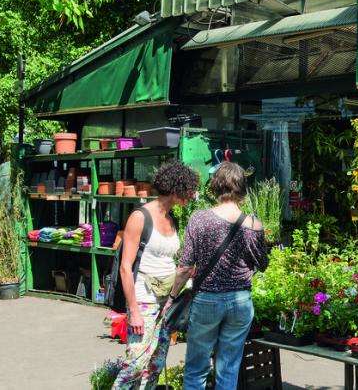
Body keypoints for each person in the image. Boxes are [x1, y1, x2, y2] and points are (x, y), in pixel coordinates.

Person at [167, 162, 269, 390]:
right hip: (241, 301)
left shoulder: (199, 219)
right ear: (242, 188)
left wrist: (172, 297)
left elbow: (184, 267)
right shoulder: (254, 225)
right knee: (228, 369)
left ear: (215, 186)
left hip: (207, 300)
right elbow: (262, 264)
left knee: (196, 369)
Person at [112, 160, 199, 389]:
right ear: (175, 189)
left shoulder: (173, 219)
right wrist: (133, 311)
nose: (190, 196)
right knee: (135, 364)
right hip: (144, 300)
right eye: (187, 191)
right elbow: (125, 267)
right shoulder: (140, 217)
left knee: (156, 364)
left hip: (166, 301)